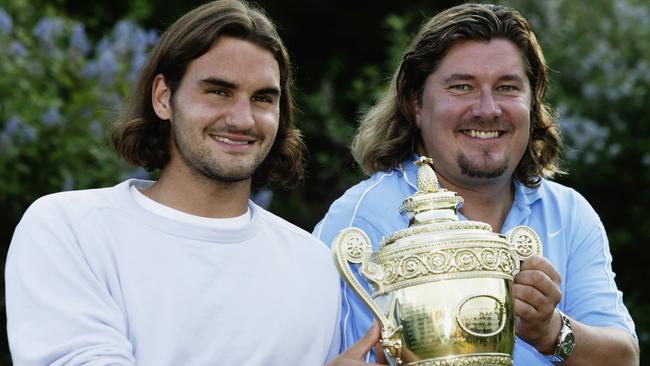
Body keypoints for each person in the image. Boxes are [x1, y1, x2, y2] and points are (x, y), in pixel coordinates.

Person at [5, 1, 343, 365]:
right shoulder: (71, 228)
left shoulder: (314, 266)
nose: (243, 119)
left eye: (262, 98)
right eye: (218, 91)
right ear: (164, 98)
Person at [314, 3, 639, 365]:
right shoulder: (359, 221)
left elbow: (624, 357)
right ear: (416, 104)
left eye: (507, 87)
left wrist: (551, 331)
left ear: (532, 104)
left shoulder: (568, 213)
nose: (487, 109)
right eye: (462, 86)